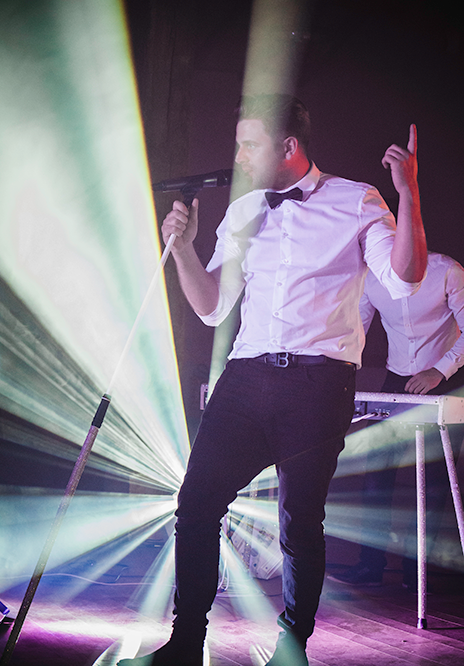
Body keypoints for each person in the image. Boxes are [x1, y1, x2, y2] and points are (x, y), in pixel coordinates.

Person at [117, 94, 427, 666]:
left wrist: (407, 194)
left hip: (317, 383)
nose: (237, 155)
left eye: (248, 143)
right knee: (196, 501)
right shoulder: (242, 212)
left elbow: (407, 278)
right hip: (246, 377)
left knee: (299, 520)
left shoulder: (357, 201)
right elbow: (212, 307)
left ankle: (291, 643)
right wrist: (183, 249)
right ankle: (186, 642)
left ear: (288, 147)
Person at [328, 251, 464, 592]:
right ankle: (370, 564)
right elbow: (355, 326)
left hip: (442, 380)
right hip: (396, 380)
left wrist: (439, 370)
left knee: (432, 484)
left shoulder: (448, 272)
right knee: (376, 476)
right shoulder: (370, 277)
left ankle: (416, 572)